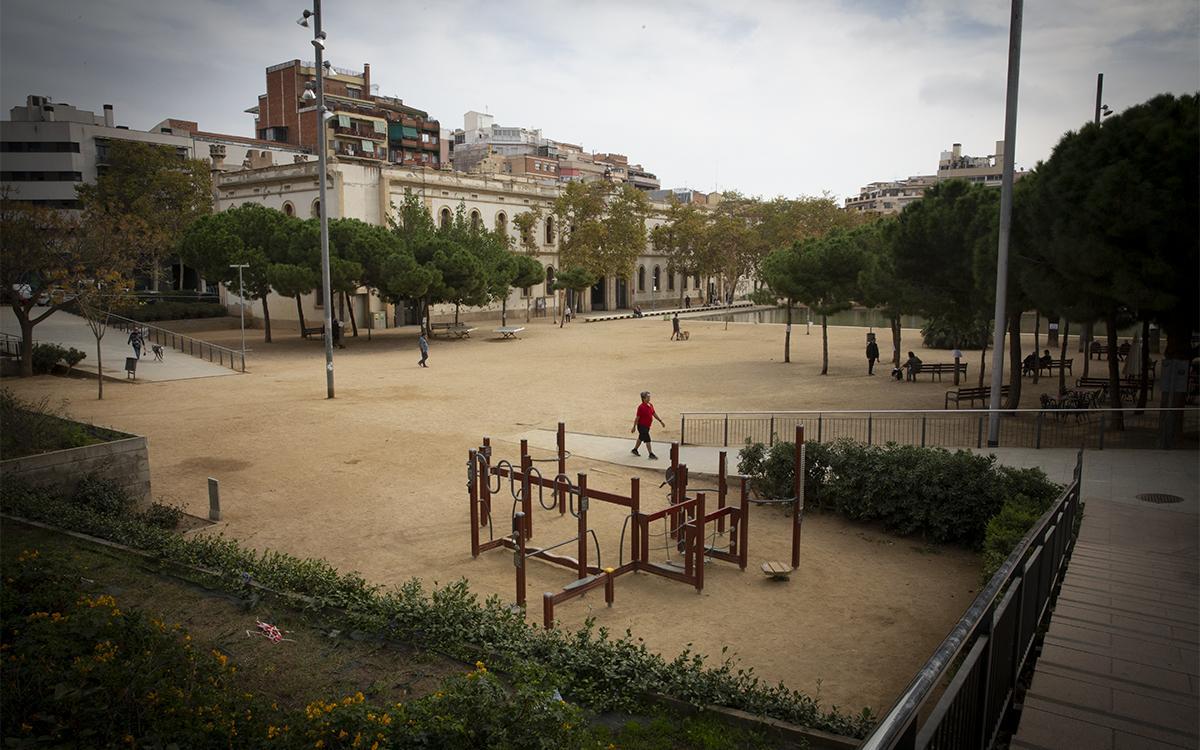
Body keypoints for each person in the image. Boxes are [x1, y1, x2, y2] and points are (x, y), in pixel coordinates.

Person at [630, 390, 666, 460]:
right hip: (641, 426)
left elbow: (654, 414)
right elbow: (637, 417)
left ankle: (635, 450)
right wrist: (634, 427)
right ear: (644, 398)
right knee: (648, 439)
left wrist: (660, 421)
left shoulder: (650, 405)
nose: (649, 398)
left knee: (641, 438)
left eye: (649, 396)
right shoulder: (641, 407)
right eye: (648, 397)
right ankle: (651, 454)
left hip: (647, 426)